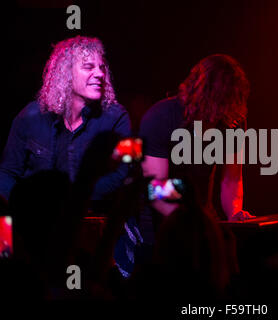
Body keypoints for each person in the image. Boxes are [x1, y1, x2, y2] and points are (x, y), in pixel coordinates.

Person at [0, 36, 131, 202]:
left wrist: (71, 202)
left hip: (93, 218)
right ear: (66, 72)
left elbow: (123, 173)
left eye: (101, 67)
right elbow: (7, 172)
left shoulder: (117, 117)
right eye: (88, 66)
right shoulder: (30, 116)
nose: (100, 74)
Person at [139, 54, 253, 224]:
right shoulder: (161, 117)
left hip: (200, 218)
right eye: (219, 104)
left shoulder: (231, 120)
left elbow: (232, 179)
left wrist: (234, 214)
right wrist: (189, 223)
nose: (220, 114)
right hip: (156, 224)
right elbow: (156, 185)